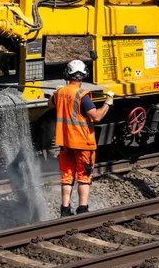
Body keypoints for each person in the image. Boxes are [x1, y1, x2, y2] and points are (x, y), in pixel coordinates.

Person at [48, 60, 114, 217]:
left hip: (65, 142)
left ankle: (65, 209)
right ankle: (82, 209)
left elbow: (50, 104)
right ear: (84, 75)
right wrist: (108, 103)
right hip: (83, 142)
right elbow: (97, 116)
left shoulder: (60, 93)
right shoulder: (83, 97)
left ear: (67, 74)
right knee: (84, 175)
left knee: (67, 175)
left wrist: (56, 93)